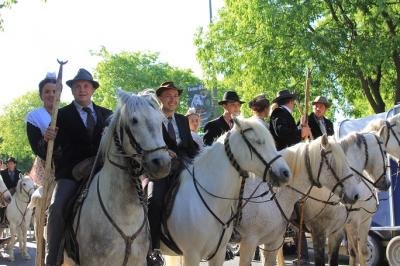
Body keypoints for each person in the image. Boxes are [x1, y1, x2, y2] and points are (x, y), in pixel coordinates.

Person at [44, 68, 112, 266]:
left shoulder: (107, 114)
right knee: (56, 208)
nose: (82, 89)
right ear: (72, 91)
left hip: (103, 171)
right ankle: (53, 256)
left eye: (86, 86)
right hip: (72, 174)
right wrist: (48, 139)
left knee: (138, 197)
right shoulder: (60, 115)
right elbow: (51, 151)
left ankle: (147, 252)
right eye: (77, 86)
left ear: (92, 89)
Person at [147, 81, 199, 265]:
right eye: (168, 96)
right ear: (160, 97)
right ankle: (153, 249)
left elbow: (190, 148)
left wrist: (202, 157)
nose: (173, 99)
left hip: (184, 166)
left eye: (176, 96)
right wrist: (162, 150)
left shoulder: (183, 120)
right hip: (160, 169)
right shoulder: (151, 118)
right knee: (154, 201)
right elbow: (146, 144)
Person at [26, 72, 57, 186]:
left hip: (69, 162)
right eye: (47, 91)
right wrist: (45, 139)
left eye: (55, 91)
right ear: (41, 95)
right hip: (46, 165)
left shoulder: (67, 113)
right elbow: (36, 147)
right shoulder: (34, 117)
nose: (51, 95)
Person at [0, 157, 21, 224]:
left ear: (14, 164)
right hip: (6, 191)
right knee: (3, 203)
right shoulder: (2, 173)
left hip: (16, 191)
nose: (10, 165)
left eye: (11, 163)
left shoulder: (19, 172)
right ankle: (3, 219)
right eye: (8, 163)